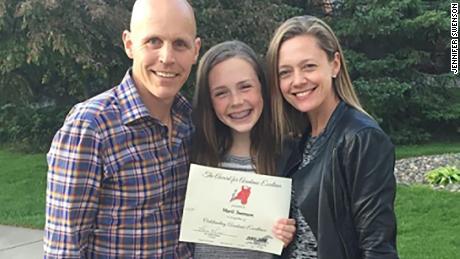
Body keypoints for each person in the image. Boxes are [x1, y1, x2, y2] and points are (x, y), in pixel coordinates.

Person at [44, 0, 201, 257]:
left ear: (195, 50)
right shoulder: (91, 127)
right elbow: (64, 248)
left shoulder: (192, 121)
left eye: (180, 44)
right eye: (153, 41)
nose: (167, 57)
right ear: (129, 44)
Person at [266, 15, 399, 258]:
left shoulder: (361, 139)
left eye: (309, 66)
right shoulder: (296, 140)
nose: (297, 80)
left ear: (334, 64)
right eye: (285, 72)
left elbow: (377, 246)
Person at [191, 40, 296, 259]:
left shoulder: (289, 157)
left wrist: (288, 234)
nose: (237, 101)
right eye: (221, 93)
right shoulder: (193, 155)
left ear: (263, 88)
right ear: (208, 101)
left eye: (245, 86)